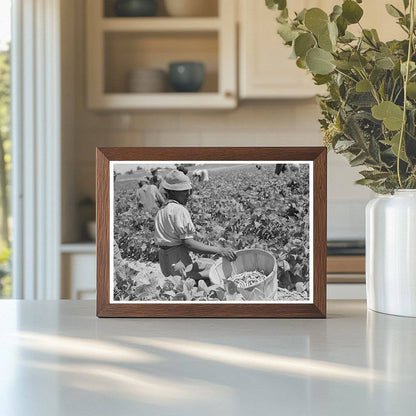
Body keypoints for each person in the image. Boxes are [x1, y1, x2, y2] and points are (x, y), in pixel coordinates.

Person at [154, 170, 236, 279]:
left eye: (189, 190)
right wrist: (221, 250)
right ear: (174, 192)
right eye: (184, 191)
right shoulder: (179, 210)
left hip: (165, 262)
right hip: (178, 261)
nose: (188, 194)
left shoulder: (161, 210)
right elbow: (188, 243)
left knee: (206, 267)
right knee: (212, 276)